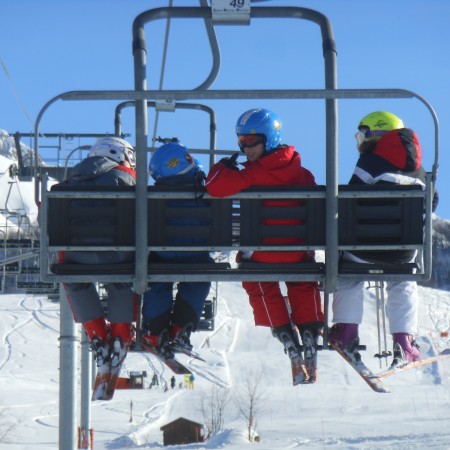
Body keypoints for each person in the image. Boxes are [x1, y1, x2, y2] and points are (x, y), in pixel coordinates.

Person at [206, 108, 324, 380]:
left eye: (249, 142)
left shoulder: (251, 174)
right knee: (302, 279)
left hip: (260, 257)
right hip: (297, 255)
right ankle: (308, 329)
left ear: (269, 139)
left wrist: (224, 166)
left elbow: (214, 187)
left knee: (258, 281)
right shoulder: (302, 174)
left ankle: (284, 332)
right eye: (240, 142)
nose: (244, 148)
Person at [329, 111, 439, 370]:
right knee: (403, 280)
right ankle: (404, 340)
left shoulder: (369, 162)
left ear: (378, 133)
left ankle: (346, 332)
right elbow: (431, 203)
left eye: (364, 134)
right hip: (402, 253)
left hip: (363, 250)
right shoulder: (419, 168)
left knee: (348, 273)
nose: (361, 141)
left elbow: (350, 198)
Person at [56, 136, 137, 370]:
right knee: (121, 282)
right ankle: (121, 335)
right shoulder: (126, 179)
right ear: (118, 154)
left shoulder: (68, 184)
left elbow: (46, 220)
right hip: (117, 256)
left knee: (76, 282)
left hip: (76, 259)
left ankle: (98, 335)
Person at [141, 142, 213, 359]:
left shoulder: (151, 196)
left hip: (162, 255)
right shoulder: (206, 191)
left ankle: (155, 331)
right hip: (196, 256)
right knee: (199, 279)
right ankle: (181, 329)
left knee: (157, 282)